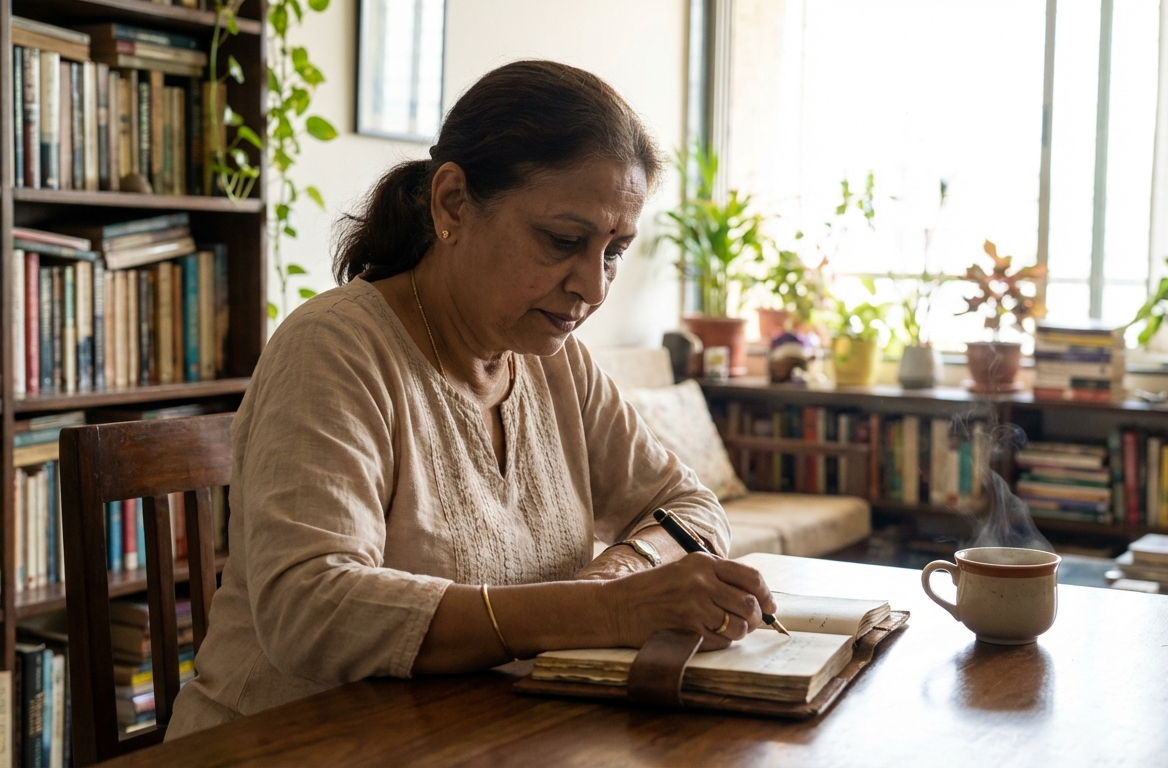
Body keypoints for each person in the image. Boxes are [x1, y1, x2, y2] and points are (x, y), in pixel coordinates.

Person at [167, 60, 776, 737]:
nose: (594, 288)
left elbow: (687, 507)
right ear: (452, 202)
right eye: (564, 241)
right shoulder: (333, 348)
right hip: (289, 744)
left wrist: (619, 575)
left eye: (613, 251)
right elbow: (312, 610)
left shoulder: (557, 364)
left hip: (478, 737)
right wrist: (607, 612)